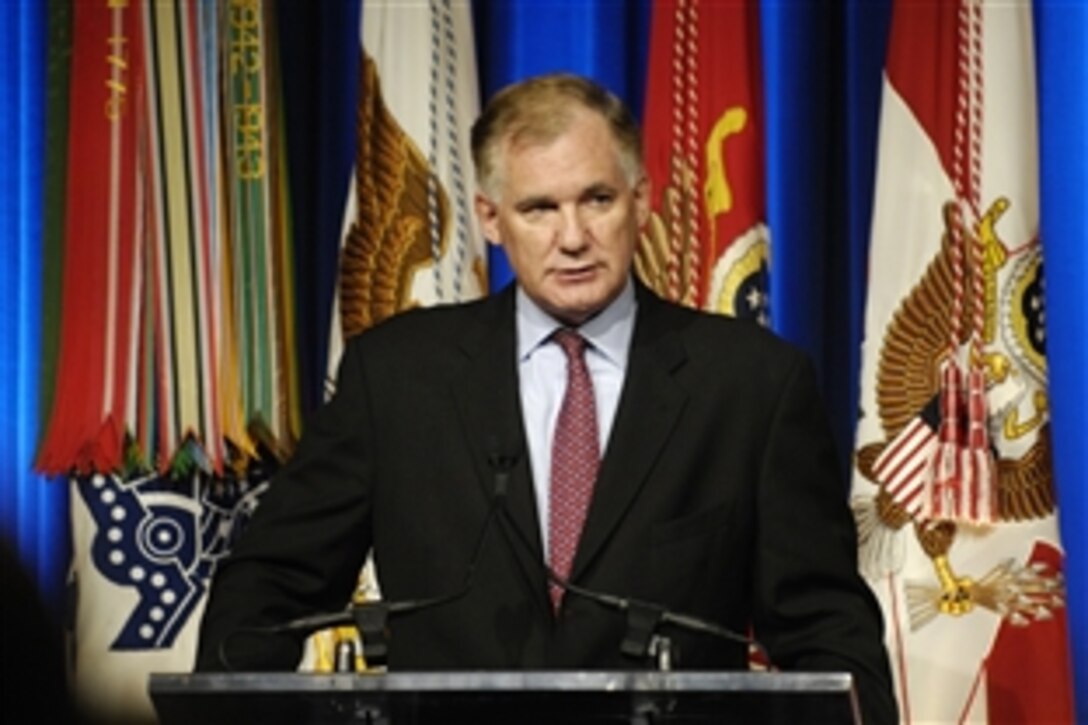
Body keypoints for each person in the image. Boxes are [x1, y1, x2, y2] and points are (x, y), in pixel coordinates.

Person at [196, 73, 897, 723]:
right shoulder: (396, 377)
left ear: (641, 199)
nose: (573, 238)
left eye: (597, 199)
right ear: (491, 219)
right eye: (539, 207)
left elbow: (828, 631)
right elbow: (270, 585)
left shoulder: (751, 384)